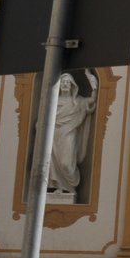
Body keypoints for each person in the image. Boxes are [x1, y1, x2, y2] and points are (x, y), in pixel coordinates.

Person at [49, 71, 96, 201]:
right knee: (53, 162)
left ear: (72, 86)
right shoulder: (54, 100)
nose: (64, 85)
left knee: (65, 163)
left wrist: (93, 82)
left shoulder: (78, 101)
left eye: (67, 83)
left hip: (68, 133)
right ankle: (59, 187)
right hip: (54, 134)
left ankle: (70, 187)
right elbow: (44, 114)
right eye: (62, 83)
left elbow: (91, 100)